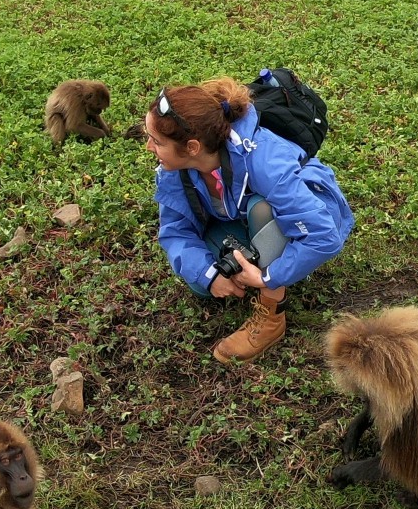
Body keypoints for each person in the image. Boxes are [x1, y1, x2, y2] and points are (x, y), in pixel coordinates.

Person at [147, 77, 354, 364]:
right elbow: (175, 231)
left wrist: (268, 277)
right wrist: (209, 274)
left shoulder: (265, 161)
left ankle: (271, 315)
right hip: (241, 218)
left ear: (192, 147)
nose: (149, 147)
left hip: (315, 214)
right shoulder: (172, 168)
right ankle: (256, 261)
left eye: (157, 141)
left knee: (261, 209)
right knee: (200, 283)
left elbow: (323, 236)